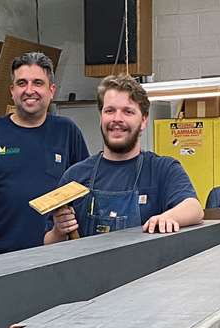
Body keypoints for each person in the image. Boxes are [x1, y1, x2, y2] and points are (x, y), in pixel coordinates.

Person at [44, 73, 203, 243]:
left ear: (143, 120)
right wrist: (59, 231)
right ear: (101, 117)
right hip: (88, 269)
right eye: (110, 111)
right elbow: (48, 241)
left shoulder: (162, 169)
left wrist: (167, 217)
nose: (117, 119)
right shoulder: (75, 176)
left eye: (128, 111)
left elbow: (194, 208)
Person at [0, 51, 89, 256]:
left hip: (53, 254)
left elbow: (84, 187)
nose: (29, 90)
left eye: (37, 83)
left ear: (51, 90)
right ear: (12, 91)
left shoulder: (67, 131)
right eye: (22, 83)